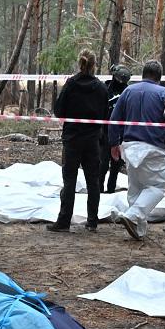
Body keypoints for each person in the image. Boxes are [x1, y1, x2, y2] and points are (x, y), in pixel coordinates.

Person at [106, 59, 165, 240]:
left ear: (142, 74)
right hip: (154, 147)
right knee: (157, 188)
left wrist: (113, 143)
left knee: (135, 188)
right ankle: (132, 216)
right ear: (159, 77)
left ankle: (138, 229)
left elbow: (114, 119)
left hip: (129, 145)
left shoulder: (128, 91)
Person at [49, 50, 108, 232]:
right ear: (94, 65)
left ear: (79, 63)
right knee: (93, 182)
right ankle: (92, 221)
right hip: (92, 141)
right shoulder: (100, 88)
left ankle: (64, 221)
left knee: (69, 182)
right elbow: (105, 114)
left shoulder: (71, 85)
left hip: (72, 139)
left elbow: (59, 111)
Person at [102, 66, 131, 195]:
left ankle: (111, 191)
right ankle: (99, 190)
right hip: (105, 132)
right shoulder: (105, 88)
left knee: (115, 166)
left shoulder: (128, 91)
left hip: (121, 134)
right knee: (102, 165)